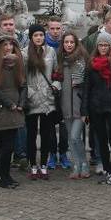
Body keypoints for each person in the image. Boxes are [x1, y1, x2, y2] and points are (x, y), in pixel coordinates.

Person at [82, 32, 111, 186]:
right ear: (97, 46)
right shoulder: (91, 63)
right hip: (96, 108)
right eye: (100, 45)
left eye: (106, 45)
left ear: (110, 46)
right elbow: (86, 88)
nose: (103, 48)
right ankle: (107, 171)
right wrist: (85, 111)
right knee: (101, 141)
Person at [0, 34, 27, 188]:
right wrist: (9, 103)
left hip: (15, 107)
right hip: (2, 107)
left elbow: (23, 84)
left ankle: (6, 175)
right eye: (5, 44)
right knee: (5, 144)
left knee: (9, 144)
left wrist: (21, 103)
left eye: (11, 44)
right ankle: (1, 177)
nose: (8, 47)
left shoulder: (17, 62)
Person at [23, 24, 57, 180]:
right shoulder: (24, 54)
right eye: (36, 35)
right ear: (31, 37)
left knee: (46, 134)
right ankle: (32, 164)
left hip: (47, 99)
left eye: (41, 35)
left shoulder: (51, 52)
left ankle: (43, 164)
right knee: (30, 134)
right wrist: (26, 93)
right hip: (31, 98)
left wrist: (56, 85)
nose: (39, 38)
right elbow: (21, 77)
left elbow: (56, 73)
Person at [57, 31, 91, 179]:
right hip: (65, 105)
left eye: (71, 42)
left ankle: (84, 163)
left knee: (76, 136)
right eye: (66, 42)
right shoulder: (60, 61)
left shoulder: (82, 61)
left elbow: (88, 85)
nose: (69, 45)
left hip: (79, 106)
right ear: (63, 44)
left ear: (76, 44)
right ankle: (76, 165)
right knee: (71, 138)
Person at [44, 17, 71, 171]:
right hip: (49, 90)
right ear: (48, 29)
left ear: (62, 28)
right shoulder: (44, 44)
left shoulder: (67, 44)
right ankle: (52, 153)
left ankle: (64, 153)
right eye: (52, 28)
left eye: (58, 28)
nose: (55, 31)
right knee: (49, 125)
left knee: (64, 125)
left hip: (65, 90)